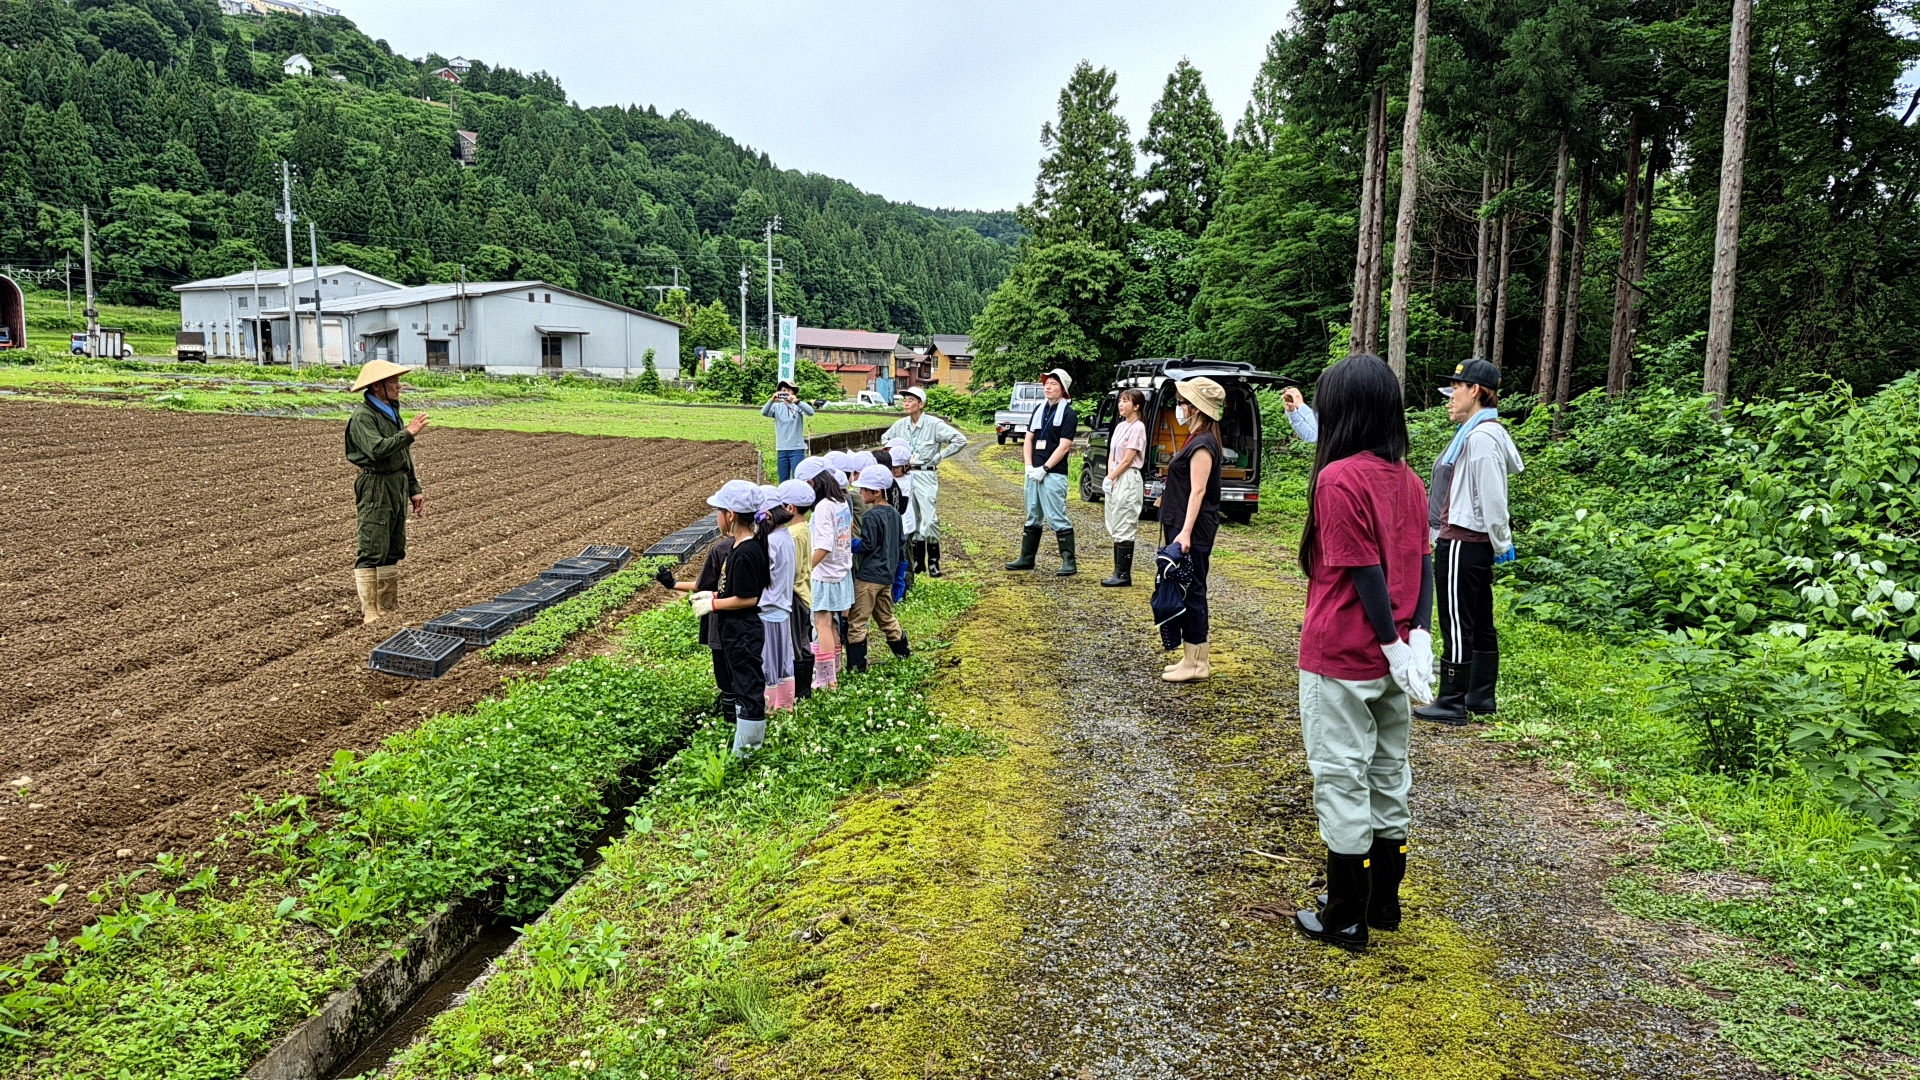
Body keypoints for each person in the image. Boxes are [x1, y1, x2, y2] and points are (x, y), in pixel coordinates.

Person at [1290, 353, 1435, 954]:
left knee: (1341, 776)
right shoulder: (1410, 479)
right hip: (1393, 661)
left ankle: (1345, 913)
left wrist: (1386, 638)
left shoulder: (1338, 477)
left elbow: (1363, 569)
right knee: (1387, 774)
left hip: (1343, 654)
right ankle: (1383, 902)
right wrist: (1415, 637)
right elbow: (1422, 561)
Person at [1414, 358, 1524, 725]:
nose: (1450, 398)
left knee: (1458, 620)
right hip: (1468, 540)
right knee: (1478, 619)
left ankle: (1452, 699)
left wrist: (1501, 540)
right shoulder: (1481, 434)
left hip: (1462, 540)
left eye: (1455, 390)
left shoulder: (1479, 438)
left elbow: (1493, 498)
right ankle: (1480, 696)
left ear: (1475, 391)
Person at [690, 480, 772, 756]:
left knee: (748, 687)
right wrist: (713, 596)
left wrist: (713, 604)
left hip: (743, 630)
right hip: (734, 630)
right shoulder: (739, 547)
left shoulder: (747, 551)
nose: (717, 517)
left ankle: (749, 750)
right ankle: (742, 742)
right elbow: (734, 589)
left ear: (732, 515)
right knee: (740, 684)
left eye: (719, 511)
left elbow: (749, 598)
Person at [345, 359, 429, 625]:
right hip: (376, 485)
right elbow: (377, 449)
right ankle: (370, 611)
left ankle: (389, 606)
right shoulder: (363, 417)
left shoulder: (391, 410)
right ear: (377, 386)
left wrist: (413, 489)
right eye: (392, 381)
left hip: (396, 484)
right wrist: (409, 433)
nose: (398, 386)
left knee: (394, 545)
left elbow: (403, 453)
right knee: (372, 545)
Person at [1157, 378, 1227, 682]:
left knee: (1192, 590)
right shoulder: (1196, 437)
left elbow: (1199, 492)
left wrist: (1184, 532)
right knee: (1187, 587)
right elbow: (1187, 486)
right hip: (1182, 523)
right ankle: (1193, 658)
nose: (1179, 407)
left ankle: (1197, 662)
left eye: (1183, 402)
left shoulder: (1203, 444)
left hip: (1193, 531)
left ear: (1196, 407)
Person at [884, 387, 968, 577]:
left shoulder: (934, 424)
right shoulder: (900, 425)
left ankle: (933, 561)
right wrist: (895, 458)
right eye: (904, 400)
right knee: (911, 517)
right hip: (906, 474)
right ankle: (917, 561)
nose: (906, 403)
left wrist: (941, 455)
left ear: (921, 404)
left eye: (911, 400)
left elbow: (960, 440)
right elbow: (885, 439)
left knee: (929, 519)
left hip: (926, 474)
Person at [654, 528, 737, 721]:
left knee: (724, 668)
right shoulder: (760, 543)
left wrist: (673, 583)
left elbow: (704, 584)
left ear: (731, 516)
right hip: (750, 621)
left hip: (721, 616)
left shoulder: (722, 548)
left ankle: (730, 713)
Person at [1006, 368, 1078, 575]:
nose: (1047, 386)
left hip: (1054, 473)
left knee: (1056, 515)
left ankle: (1069, 561)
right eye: (1046, 383)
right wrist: (1029, 466)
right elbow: (1028, 439)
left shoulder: (1069, 414)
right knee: (1032, 514)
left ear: (1063, 389)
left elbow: (1064, 446)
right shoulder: (1039, 409)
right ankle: (1026, 558)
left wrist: (1046, 468)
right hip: (1034, 470)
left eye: (1053, 384)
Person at [847, 464, 908, 670]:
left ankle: (857, 667)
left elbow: (867, 545)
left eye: (864, 490)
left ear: (877, 492)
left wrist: (847, 544)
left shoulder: (871, 516)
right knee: (886, 617)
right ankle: (903, 653)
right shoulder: (895, 514)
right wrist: (899, 576)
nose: (860, 493)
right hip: (886, 577)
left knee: (858, 621)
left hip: (868, 578)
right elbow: (900, 544)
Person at [801, 457, 854, 691]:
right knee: (830, 624)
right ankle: (835, 667)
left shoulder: (823, 507)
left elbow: (823, 546)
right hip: (841, 571)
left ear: (812, 483)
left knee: (821, 624)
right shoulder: (841, 500)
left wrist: (804, 570)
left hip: (824, 575)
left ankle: (825, 679)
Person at [1100, 388, 1149, 587]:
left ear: (1136, 406)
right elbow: (1112, 452)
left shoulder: (1138, 427)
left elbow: (1129, 459)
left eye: (1126, 401)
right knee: (1113, 519)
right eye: (1120, 400)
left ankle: (1123, 574)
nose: (1121, 404)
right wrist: (1109, 476)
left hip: (1128, 477)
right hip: (1115, 475)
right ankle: (1117, 571)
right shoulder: (1120, 426)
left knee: (1124, 521)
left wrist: (1113, 475)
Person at [756, 485, 798, 713]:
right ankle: (786, 705)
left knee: (768, 664)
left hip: (768, 608)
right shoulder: (785, 536)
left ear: (768, 515)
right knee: (783, 660)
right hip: (782, 606)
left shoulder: (770, 541)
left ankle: (769, 708)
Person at [777, 478, 819, 699]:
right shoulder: (804, 527)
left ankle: (801, 692)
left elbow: (790, 569)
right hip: (805, 593)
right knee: (804, 641)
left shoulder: (792, 534)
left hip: (793, 594)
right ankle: (805, 690)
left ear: (790, 508)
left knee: (796, 644)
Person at [762, 380, 816, 482]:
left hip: (797, 448)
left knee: (799, 478)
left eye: (789, 390)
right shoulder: (776, 407)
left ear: (793, 393)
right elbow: (764, 412)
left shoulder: (798, 406)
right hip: (782, 448)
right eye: (783, 390)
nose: (786, 393)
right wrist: (772, 399)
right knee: (783, 480)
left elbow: (811, 412)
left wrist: (797, 401)